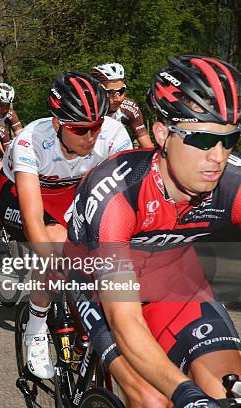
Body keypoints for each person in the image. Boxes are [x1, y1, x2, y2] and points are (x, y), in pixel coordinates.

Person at [68, 55, 241, 407]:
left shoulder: (233, 184)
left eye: (230, 140)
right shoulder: (119, 194)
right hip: (96, 283)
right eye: (202, 140)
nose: (218, 157)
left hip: (174, 278)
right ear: (162, 133)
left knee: (229, 391)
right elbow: (125, 319)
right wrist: (185, 393)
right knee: (153, 399)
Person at [0, 71, 132, 379]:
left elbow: (125, 200)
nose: (92, 136)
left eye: (96, 126)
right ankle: (36, 328)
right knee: (55, 247)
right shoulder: (31, 141)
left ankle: (83, 321)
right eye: (81, 129)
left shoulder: (113, 134)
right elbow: (33, 217)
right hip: (21, 194)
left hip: (71, 192)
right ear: (57, 123)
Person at [92, 62, 154, 149]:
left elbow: (148, 147)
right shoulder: (87, 110)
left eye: (121, 91)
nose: (118, 98)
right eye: (110, 92)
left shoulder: (130, 107)